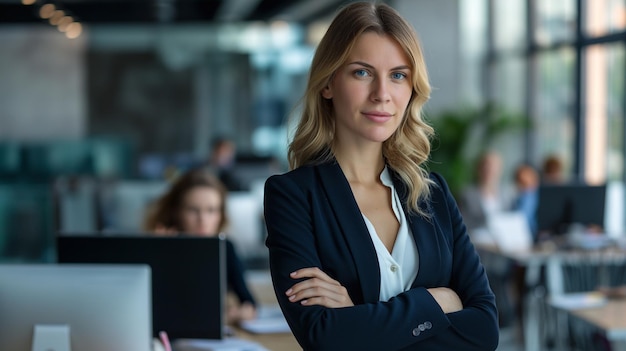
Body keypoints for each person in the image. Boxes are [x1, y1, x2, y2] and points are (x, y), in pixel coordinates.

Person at [262, 2, 498, 350]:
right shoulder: (293, 197)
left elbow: (484, 330)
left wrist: (358, 315)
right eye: (362, 72)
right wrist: (440, 302)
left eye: (398, 75)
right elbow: (323, 337)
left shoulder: (432, 194)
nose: (382, 94)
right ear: (328, 83)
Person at [143, 168, 257, 324]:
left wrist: (240, 313)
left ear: (221, 214)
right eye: (193, 210)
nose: (203, 220)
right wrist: (160, 256)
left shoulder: (226, 248)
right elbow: (152, 308)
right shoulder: (157, 248)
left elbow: (249, 303)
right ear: (176, 212)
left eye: (211, 210)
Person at [459, 150, 512, 241]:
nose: (489, 169)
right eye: (486, 165)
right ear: (479, 168)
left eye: (493, 166)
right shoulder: (467, 195)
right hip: (476, 244)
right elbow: (461, 225)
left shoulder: (507, 195)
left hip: (501, 245)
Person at [511, 162, 539, 238]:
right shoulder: (515, 199)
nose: (522, 187)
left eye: (525, 183)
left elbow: (523, 218)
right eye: (520, 182)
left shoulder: (530, 196)